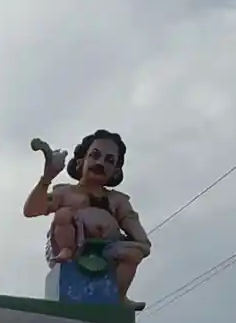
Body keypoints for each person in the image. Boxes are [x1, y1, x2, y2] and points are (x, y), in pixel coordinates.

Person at [23, 128, 149, 298]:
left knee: (132, 255)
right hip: (73, 249)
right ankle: (66, 249)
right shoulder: (65, 192)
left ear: (116, 171)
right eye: (95, 156)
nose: (100, 163)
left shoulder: (118, 200)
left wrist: (137, 247)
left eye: (109, 160)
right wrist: (47, 178)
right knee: (63, 214)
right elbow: (31, 210)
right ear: (80, 162)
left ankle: (117, 297)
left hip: (108, 251)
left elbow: (140, 237)